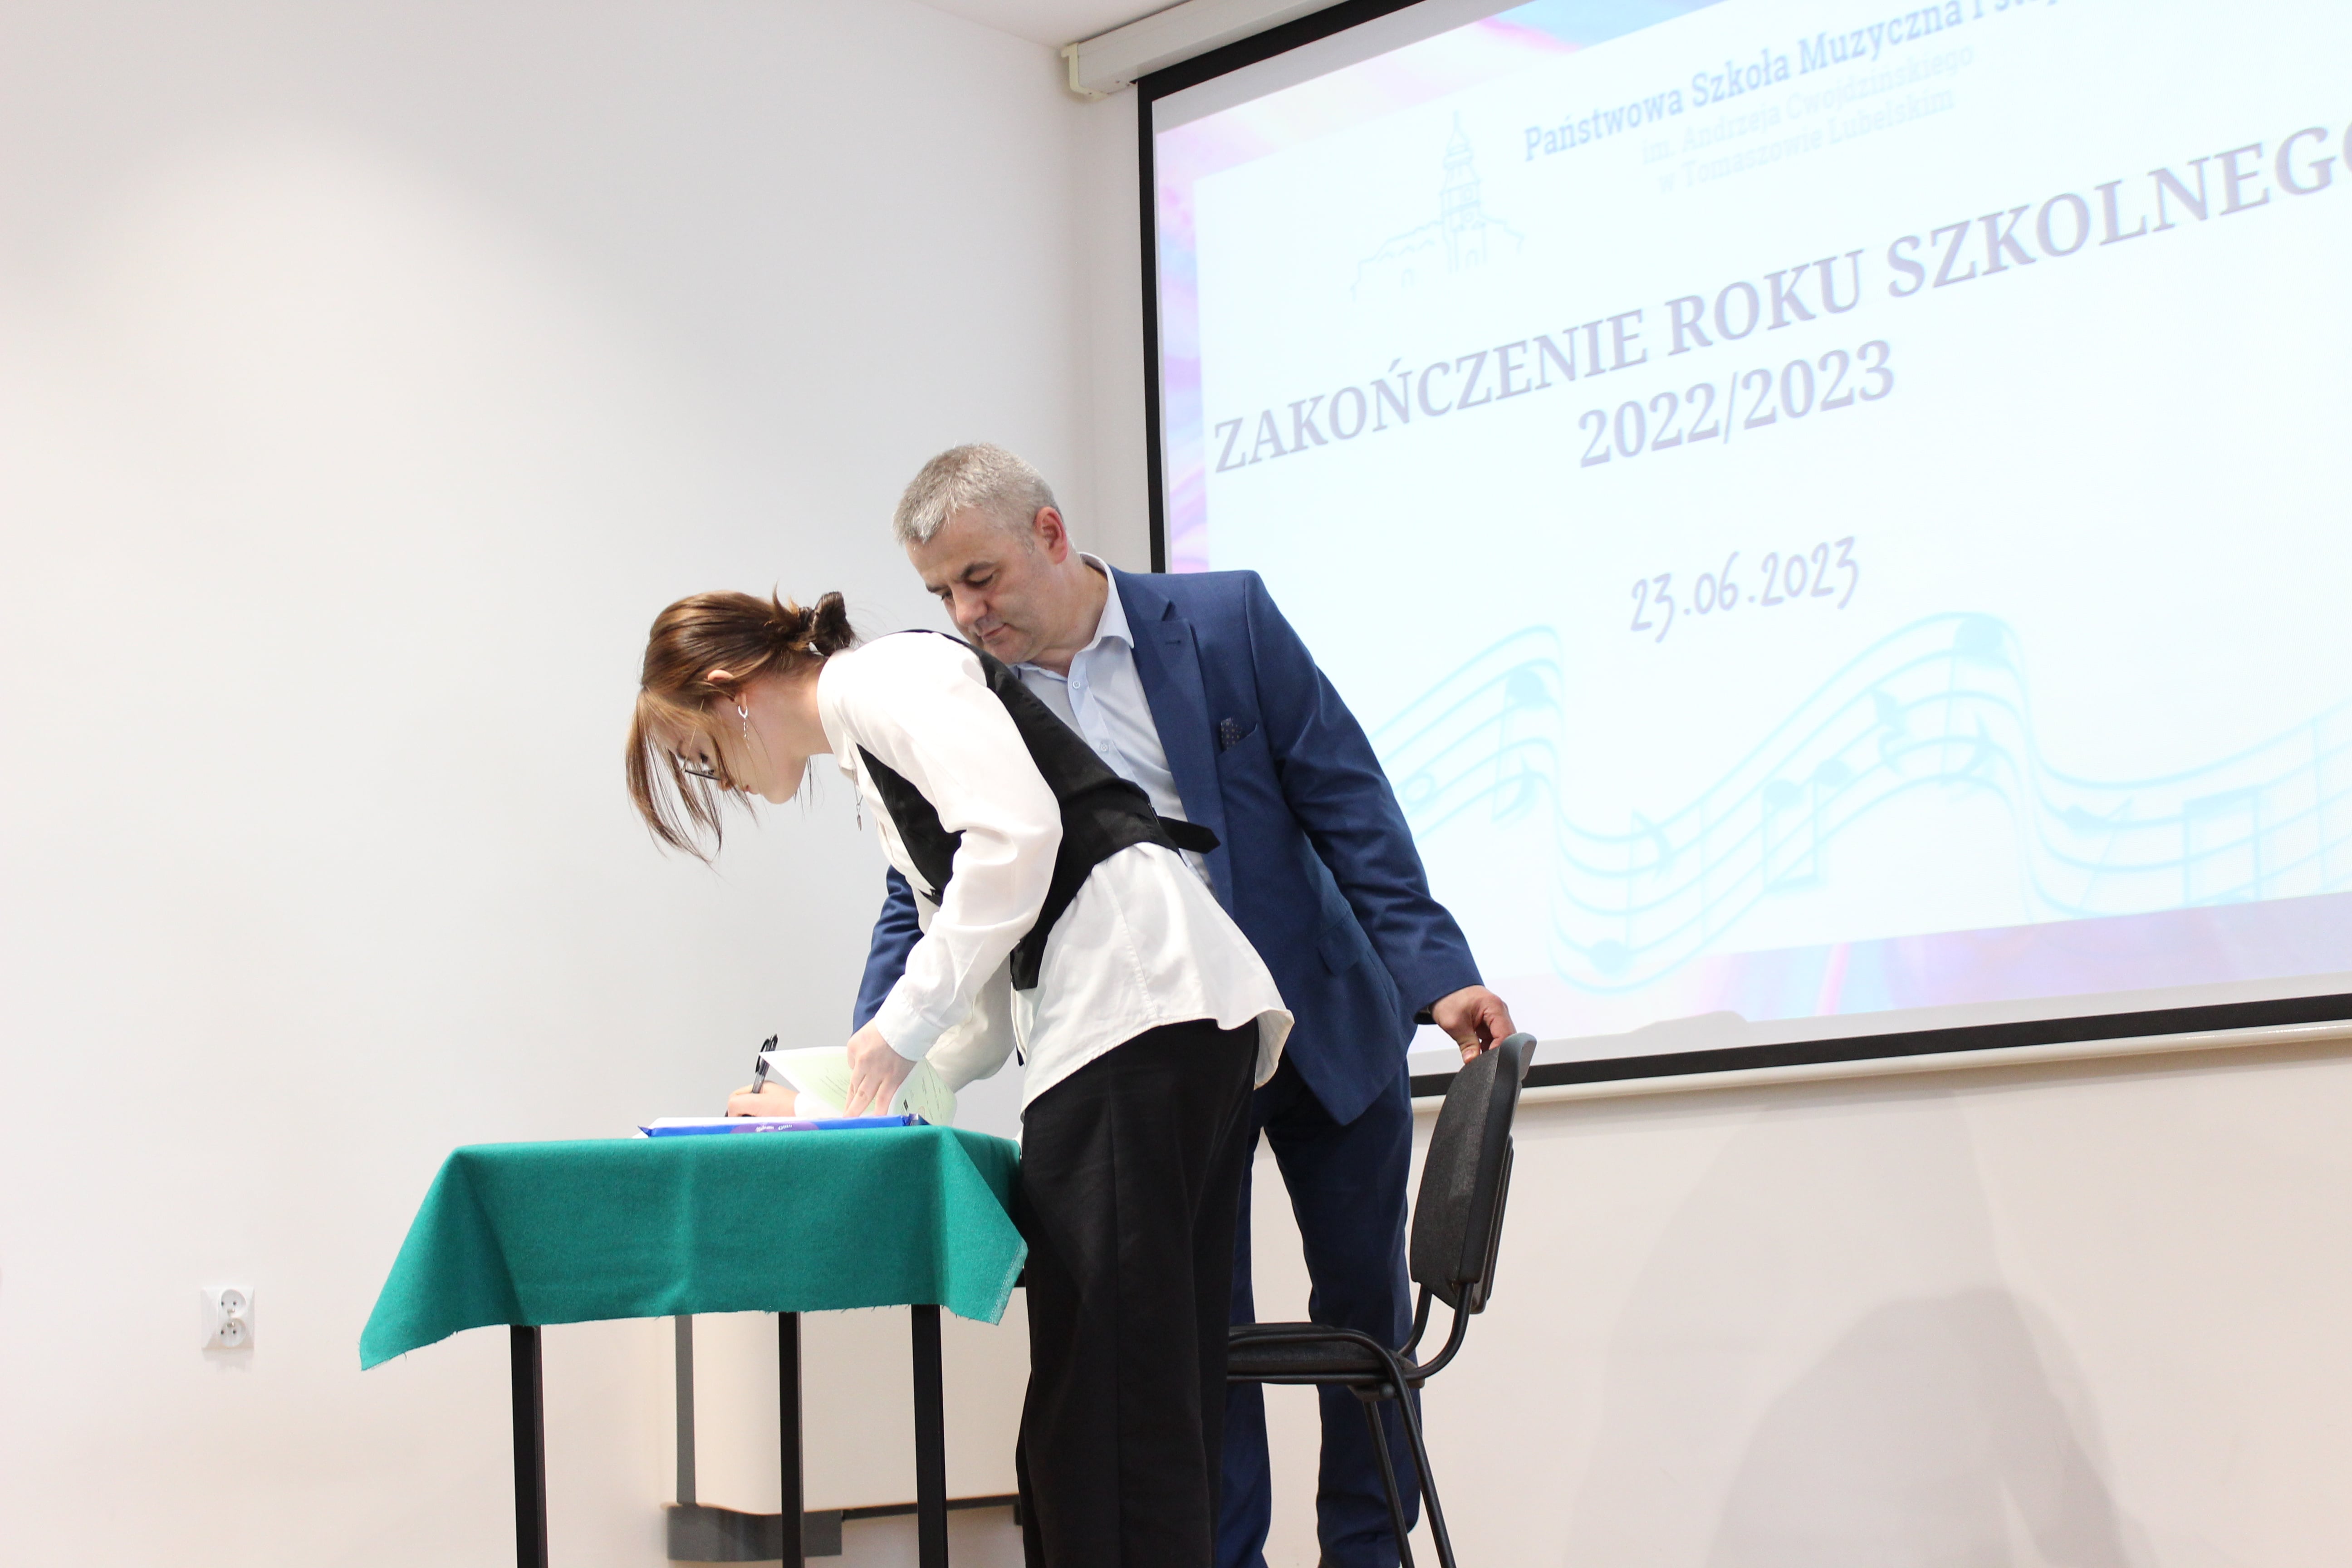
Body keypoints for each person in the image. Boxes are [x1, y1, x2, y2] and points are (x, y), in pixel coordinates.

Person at [856, 445, 1519, 1568]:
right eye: (942, 594)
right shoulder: (972, 700)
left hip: (1320, 1018)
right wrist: (866, 1053)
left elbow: (1346, 795)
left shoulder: (1223, 621)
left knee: (1366, 1314)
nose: (967, 614)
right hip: (1158, 1053)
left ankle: (1369, 1552)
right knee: (1195, 1339)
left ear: (1050, 534)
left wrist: (1438, 973)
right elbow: (918, 890)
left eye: (981, 578)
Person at [624, 588, 1292, 1568]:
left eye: (697, 754)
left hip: (1137, 1016)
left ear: (730, 692)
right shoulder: (874, 746)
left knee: (1105, 1411)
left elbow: (1017, 841)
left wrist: (892, 1036)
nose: (714, 778)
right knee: (1134, 1395)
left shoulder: (887, 677)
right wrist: (834, 1100)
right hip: (1162, 1024)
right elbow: (974, 996)